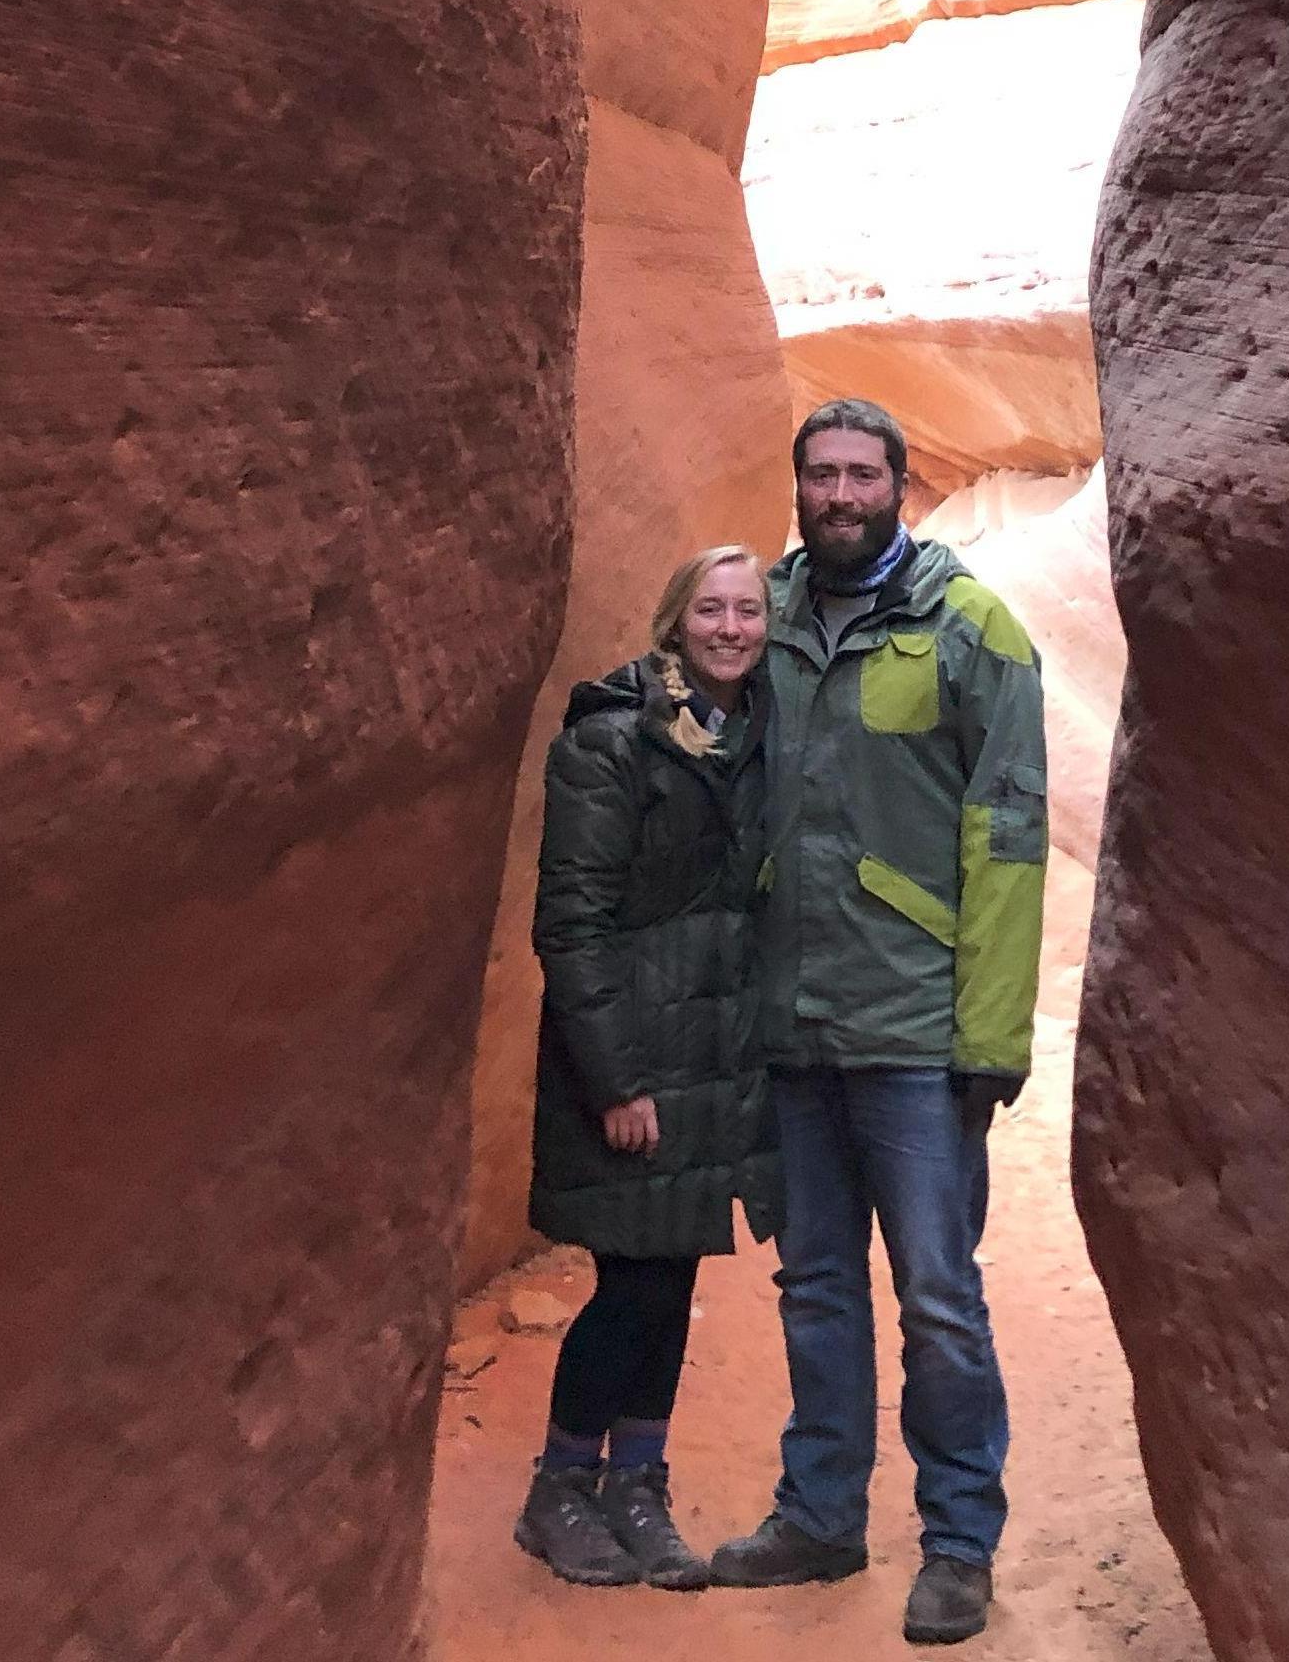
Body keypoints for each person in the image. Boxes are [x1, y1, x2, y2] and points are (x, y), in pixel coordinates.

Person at [709, 399, 1049, 1647]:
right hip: (794, 1024)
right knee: (812, 1286)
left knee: (939, 1297)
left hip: (914, 1029)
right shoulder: (771, 616)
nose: (839, 492)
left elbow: (1008, 836)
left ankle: (958, 1541)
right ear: (796, 485)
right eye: (820, 474)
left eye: (861, 473)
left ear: (900, 484)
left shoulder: (970, 630)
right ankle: (821, 1515)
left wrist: (991, 1039)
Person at [515, 543, 783, 1593]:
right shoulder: (609, 741)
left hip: (708, 1053)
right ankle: (558, 1488)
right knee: (629, 1284)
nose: (730, 627)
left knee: (669, 1278)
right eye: (711, 608)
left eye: (748, 610)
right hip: (631, 1056)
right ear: (675, 620)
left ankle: (637, 1484)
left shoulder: (755, 732)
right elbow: (570, 924)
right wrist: (617, 1079)